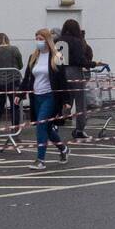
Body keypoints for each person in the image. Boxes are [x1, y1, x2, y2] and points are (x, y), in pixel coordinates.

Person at [20, 29, 70, 170]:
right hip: (36, 97)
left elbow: (62, 81)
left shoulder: (57, 56)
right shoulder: (33, 57)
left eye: (41, 38)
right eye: (36, 38)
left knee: (42, 125)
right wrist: (19, 94)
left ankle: (40, 160)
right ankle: (63, 149)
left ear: (48, 40)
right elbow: (27, 79)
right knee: (47, 128)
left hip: (50, 97)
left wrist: (66, 101)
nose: (38, 41)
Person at [58, 19, 92, 139]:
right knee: (80, 102)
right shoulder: (77, 41)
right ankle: (79, 129)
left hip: (61, 72)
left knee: (65, 100)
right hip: (74, 72)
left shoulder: (58, 40)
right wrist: (91, 64)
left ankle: (57, 122)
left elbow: (57, 60)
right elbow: (80, 60)